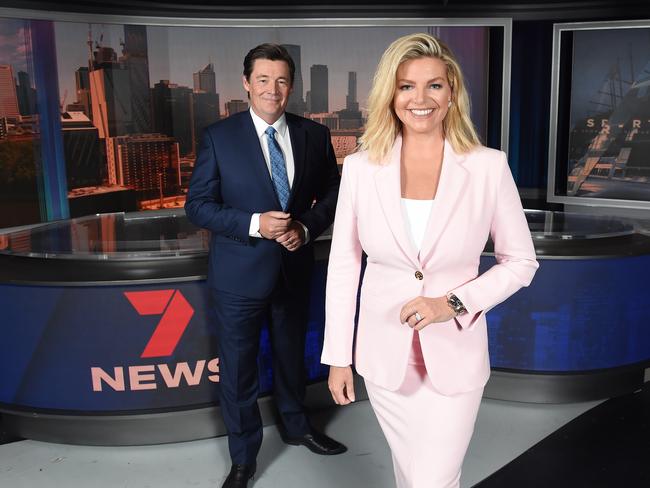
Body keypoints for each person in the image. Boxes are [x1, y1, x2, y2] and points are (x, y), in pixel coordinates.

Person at [321, 33, 538, 488]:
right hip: (384, 356)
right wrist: (338, 357)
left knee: (432, 479)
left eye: (434, 85)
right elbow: (344, 264)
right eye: (406, 86)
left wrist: (452, 304)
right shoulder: (361, 168)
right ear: (390, 95)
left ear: (452, 92)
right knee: (412, 473)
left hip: (454, 358)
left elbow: (520, 261)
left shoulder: (487, 166)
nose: (420, 98)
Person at [185, 43, 344, 488]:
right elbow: (197, 206)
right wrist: (255, 224)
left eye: (280, 81)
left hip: (293, 270)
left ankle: (298, 428)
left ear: (290, 86)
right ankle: (243, 460)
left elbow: (334, 193)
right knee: (238, 371)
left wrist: (307, 227)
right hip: (238, 277)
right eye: (262, 80)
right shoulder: (220, 136)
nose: (271, 90)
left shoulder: (314, 135)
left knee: (293, 359)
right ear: (246, 83)